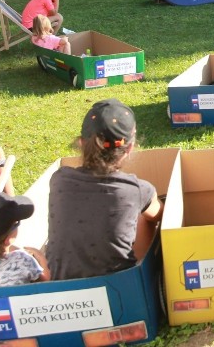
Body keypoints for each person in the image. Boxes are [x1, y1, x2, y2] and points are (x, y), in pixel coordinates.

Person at [46, 99, 162, 280]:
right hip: (121, 287)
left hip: (64, 289)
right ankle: (143, 271)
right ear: (130, 147)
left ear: (81, 143)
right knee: (143, 216)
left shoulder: (59, 179)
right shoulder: (138, 190)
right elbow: (159, 215)